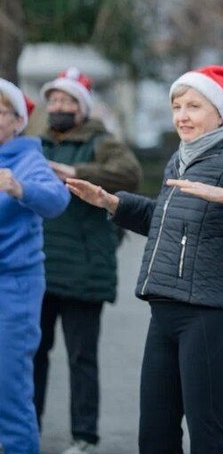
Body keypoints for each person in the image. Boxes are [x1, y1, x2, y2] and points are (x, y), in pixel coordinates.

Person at [64, 65, 223, 453]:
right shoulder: (182, 158)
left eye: (193, 106)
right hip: (164, 310)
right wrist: (112, 202)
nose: (182, 116)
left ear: (220, 113)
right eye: (177, 106)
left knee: (208, 435)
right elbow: (165, 220)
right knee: (154, 434)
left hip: (208, 314)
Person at [32, 68, 143, 454]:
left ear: (81, 107)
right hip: (39, 268)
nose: (58, 107)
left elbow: (129, 174)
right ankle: (27, 428)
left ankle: (85, 437)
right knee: (33, 354)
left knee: (82, 357)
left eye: (66, 101)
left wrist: (76, 172)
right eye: (53, 101)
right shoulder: (36, 143)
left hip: (84, 269)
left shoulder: (102, 142)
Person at [0, 79, 70, 454]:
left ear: (17, 121)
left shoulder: (28, 159)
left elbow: (57, 200)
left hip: (12, 287)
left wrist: (19, 188)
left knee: (8, 391)